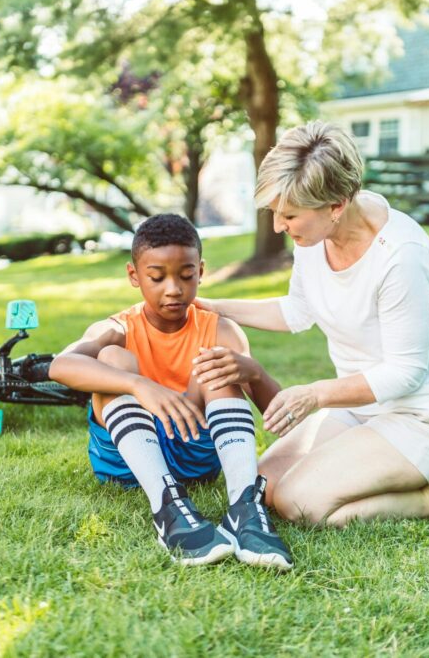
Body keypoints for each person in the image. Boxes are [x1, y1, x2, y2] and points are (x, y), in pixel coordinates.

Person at [193, 121, 429, 527]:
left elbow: (406, 372)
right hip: (362, 409)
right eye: (276, 213)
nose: (279, 226)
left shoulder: (400, 257)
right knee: (260, 486)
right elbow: (298, 310)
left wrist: (315, 395)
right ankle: (371, 467)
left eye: (290, 215)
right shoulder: (315, 239)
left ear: (336, 206)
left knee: (301, 504)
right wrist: (212, 306)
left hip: (426, 418)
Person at [48, 214, 293, 569]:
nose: (174, 289)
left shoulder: (219, 329)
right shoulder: (118, 327)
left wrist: (253, 372)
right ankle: (167, 509)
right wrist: (138, 384)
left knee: (217, 362)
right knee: (112, 359)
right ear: (134, 275)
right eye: (157, 277)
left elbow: (280, 418)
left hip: (195, 454)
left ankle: (244, 509)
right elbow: (60, 365)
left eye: (185, 275)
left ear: (201, 270)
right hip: (126, 464)